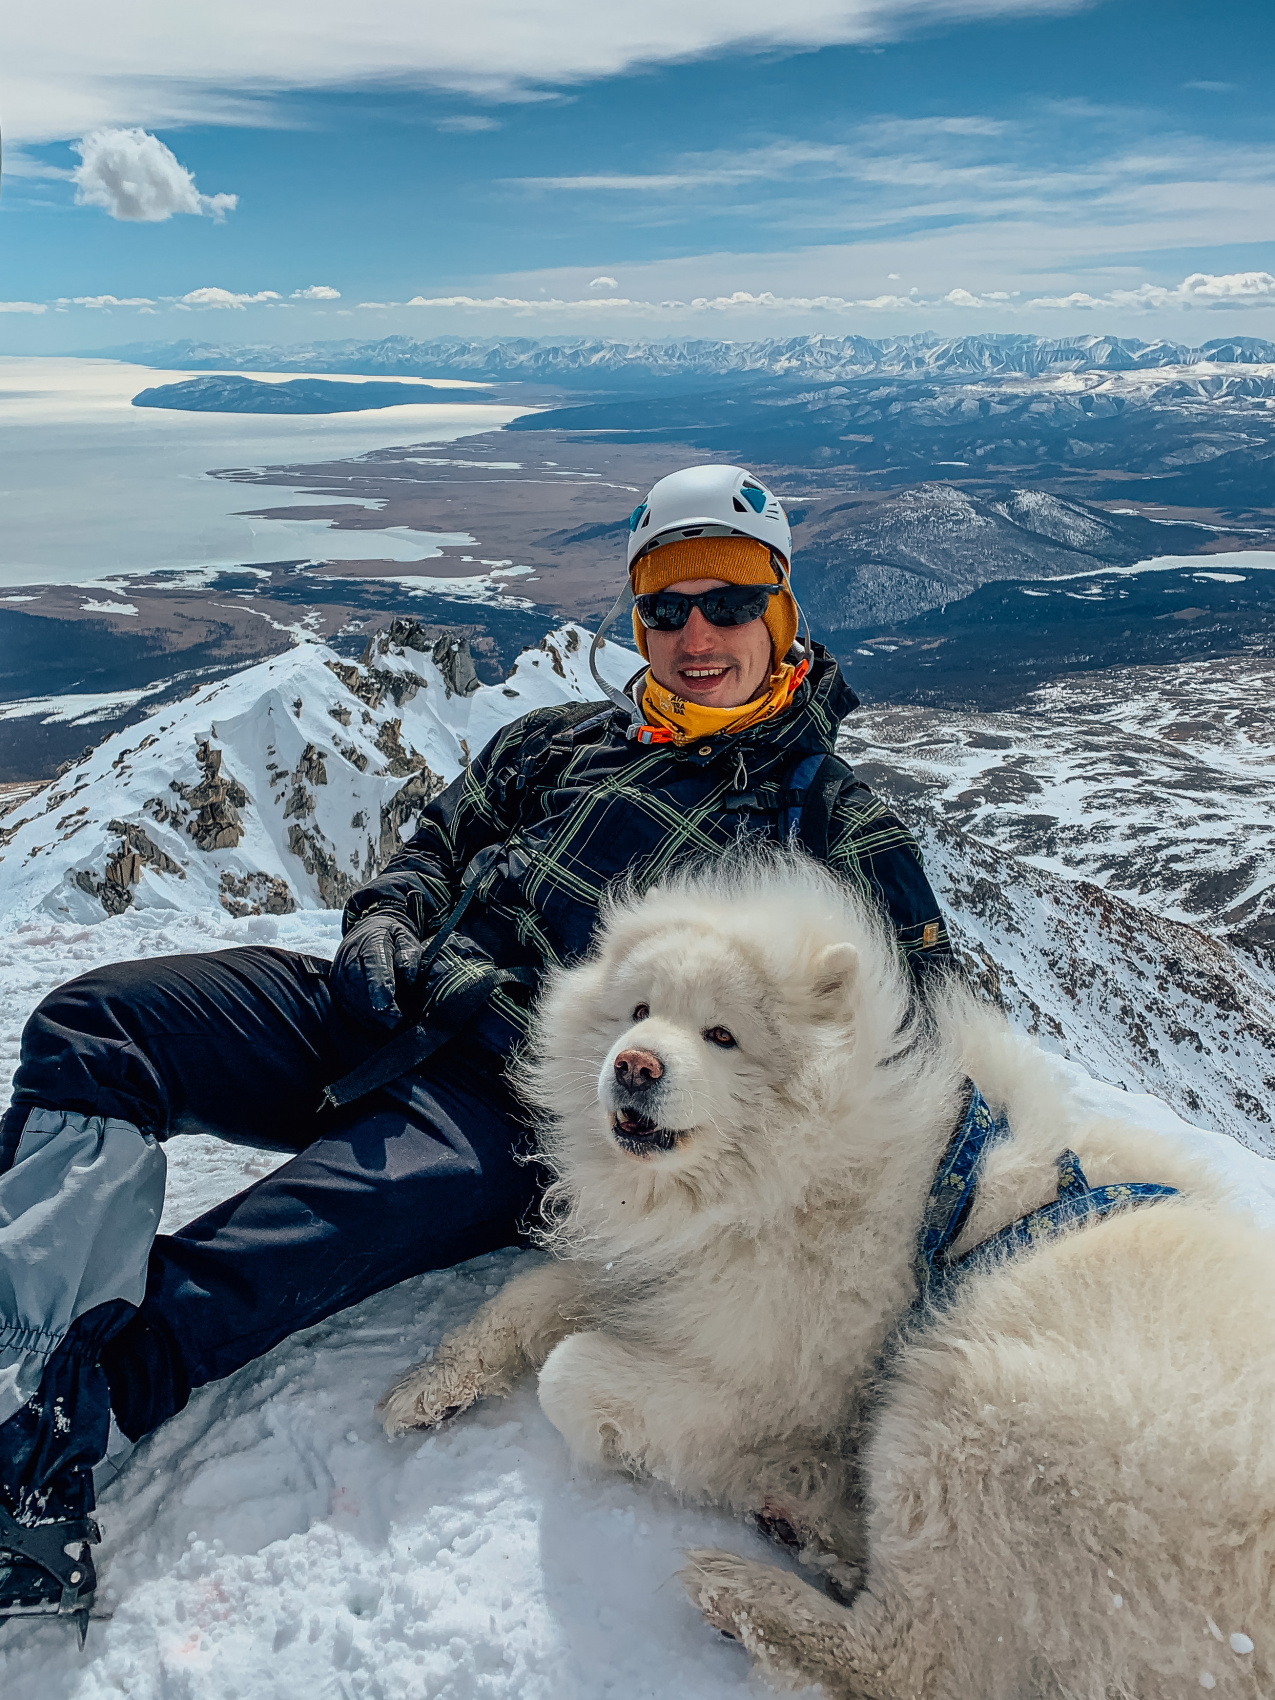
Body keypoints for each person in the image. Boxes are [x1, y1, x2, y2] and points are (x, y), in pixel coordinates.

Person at [0, 465, 950, 1636]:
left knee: (277, 1244)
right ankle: (17, 1345)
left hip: (516, 1102)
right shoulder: (558, 740)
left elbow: (908, 1034)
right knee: (98, 1027)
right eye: (665, 601)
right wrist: (386, 917)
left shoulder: (827, 826)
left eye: (732, 598)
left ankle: (43, 1442)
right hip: (382, 1003)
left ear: (784, 611)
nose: (697, 632)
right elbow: (440, 839)